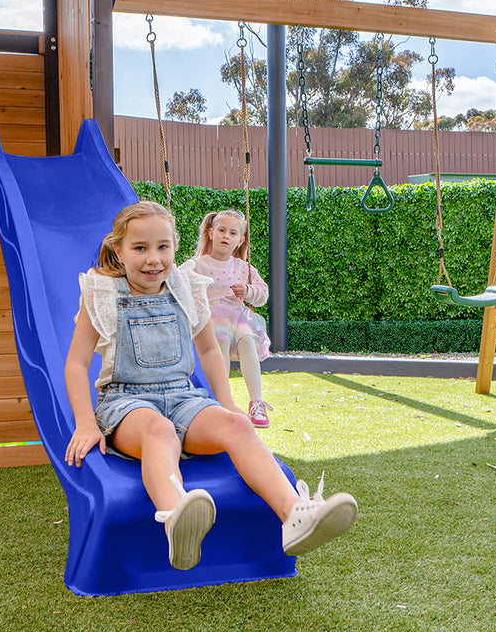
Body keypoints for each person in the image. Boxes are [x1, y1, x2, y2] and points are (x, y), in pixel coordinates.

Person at [63, 200, 357, 571]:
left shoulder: (186, 289)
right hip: (126, 403)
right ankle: (176, 517)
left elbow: (207, 348)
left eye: (163, 247)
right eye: (140, 249)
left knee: (236, 424)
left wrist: (226, 401)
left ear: (175, 247)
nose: (153, 259)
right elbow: (76, 364)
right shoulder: (102, 294)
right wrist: (87, 423)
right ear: (118, 252)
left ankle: (295, 516)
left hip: (184, 397)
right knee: (160, 430)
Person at [182, 209, 273, 428]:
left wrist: (248, 290)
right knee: (219, 339)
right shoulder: (199, 263)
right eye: (222, 230)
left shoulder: (244, 268)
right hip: (211, 317)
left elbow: (263, 294)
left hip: (238, 317)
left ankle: (256, 402)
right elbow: (180, 277)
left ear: (240, 240)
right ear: (211, 233)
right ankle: (220, 398)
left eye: (232, 233)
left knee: (247, 341)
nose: (226, 236)